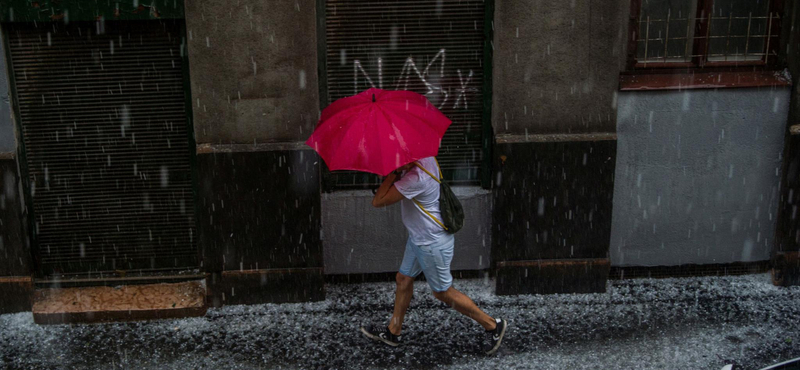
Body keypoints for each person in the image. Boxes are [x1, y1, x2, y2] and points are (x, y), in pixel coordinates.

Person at [360, 156, 507, 355]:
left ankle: (492, 324)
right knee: (403, 279)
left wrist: (394, 172)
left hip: (431, 243)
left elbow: (378, 201)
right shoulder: (427, 159)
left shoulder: (416, 178)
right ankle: (393, 332)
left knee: (442, 292)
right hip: (418, 238)